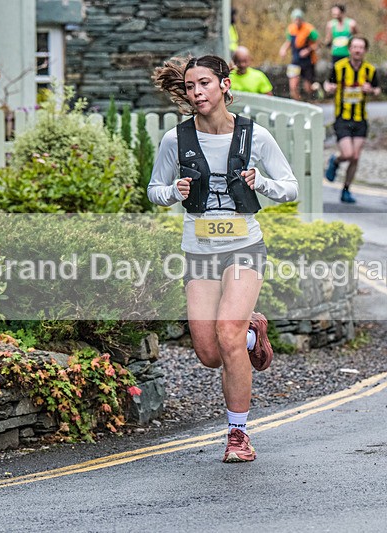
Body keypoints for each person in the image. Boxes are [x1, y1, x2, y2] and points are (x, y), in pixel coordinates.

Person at [149, 55, 298, 463]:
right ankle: (254, 333)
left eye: (205, 84)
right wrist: (174, 192)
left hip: (244, 246)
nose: (197, 92)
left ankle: (238, 434)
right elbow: (153, 190)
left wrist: (260, 182)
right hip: (198, 252)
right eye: (191, 85)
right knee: (209, 352)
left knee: (226, 334)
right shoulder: (174, 140)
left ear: (225, 86)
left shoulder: (255, 136)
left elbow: (290, 188)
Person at [323, 36, 380, 203]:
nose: (357, 50)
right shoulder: (339, 67)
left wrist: (371, 90)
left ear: (365, 50)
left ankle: (346, 189)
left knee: (355, 157)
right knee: (347, 154)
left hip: (361, 119)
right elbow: (327, 85)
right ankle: (336, 160)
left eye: (361, 47)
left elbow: (377, 90)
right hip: (342, 117)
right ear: (349, 49)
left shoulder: (370, 70)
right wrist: (330, 88)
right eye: (354, 47)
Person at [278, 8, 318, 101]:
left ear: (302, 19)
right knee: (293, 86)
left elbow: (317, 44)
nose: (297, 21)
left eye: (299, 19)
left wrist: (308, 50)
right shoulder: (291, 28)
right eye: (295, 19)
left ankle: (313, 95)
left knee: (307, 88)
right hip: (295, 60)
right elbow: (289, 41)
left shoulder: (309, 29)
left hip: (308, 61)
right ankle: (299, 104)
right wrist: (283, 49)